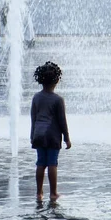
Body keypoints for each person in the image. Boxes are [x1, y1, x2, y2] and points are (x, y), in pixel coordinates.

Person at [30, 61, 71, 201]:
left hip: (39, 135)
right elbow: (62, 121)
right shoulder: (58, 100)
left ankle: (39, 193)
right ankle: (53, 193)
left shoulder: (36, 97)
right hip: (52, 135)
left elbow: (33, 118)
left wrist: (32, 135)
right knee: (52, 163)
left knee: (40, 163)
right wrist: (67, 138)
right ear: (57, 80)